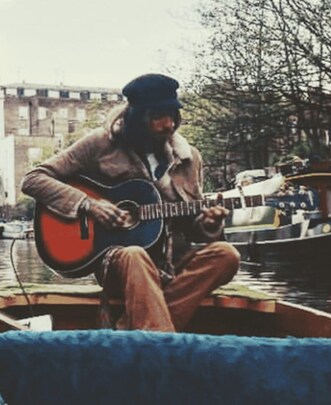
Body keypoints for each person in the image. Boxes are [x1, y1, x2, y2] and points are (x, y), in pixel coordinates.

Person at [21, 73, 239, 332]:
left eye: (173, 115)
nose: (168, 124)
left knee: (227, 255)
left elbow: (193, 227)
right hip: (119, 260)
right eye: (158, 116)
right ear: (137, 116)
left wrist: (208, 223)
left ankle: (130, 329)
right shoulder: (100, 143)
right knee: (135, 254)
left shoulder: (189, 158)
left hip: (171, 261)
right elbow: (33, 179)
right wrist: (89, 204)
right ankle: (164, 344)